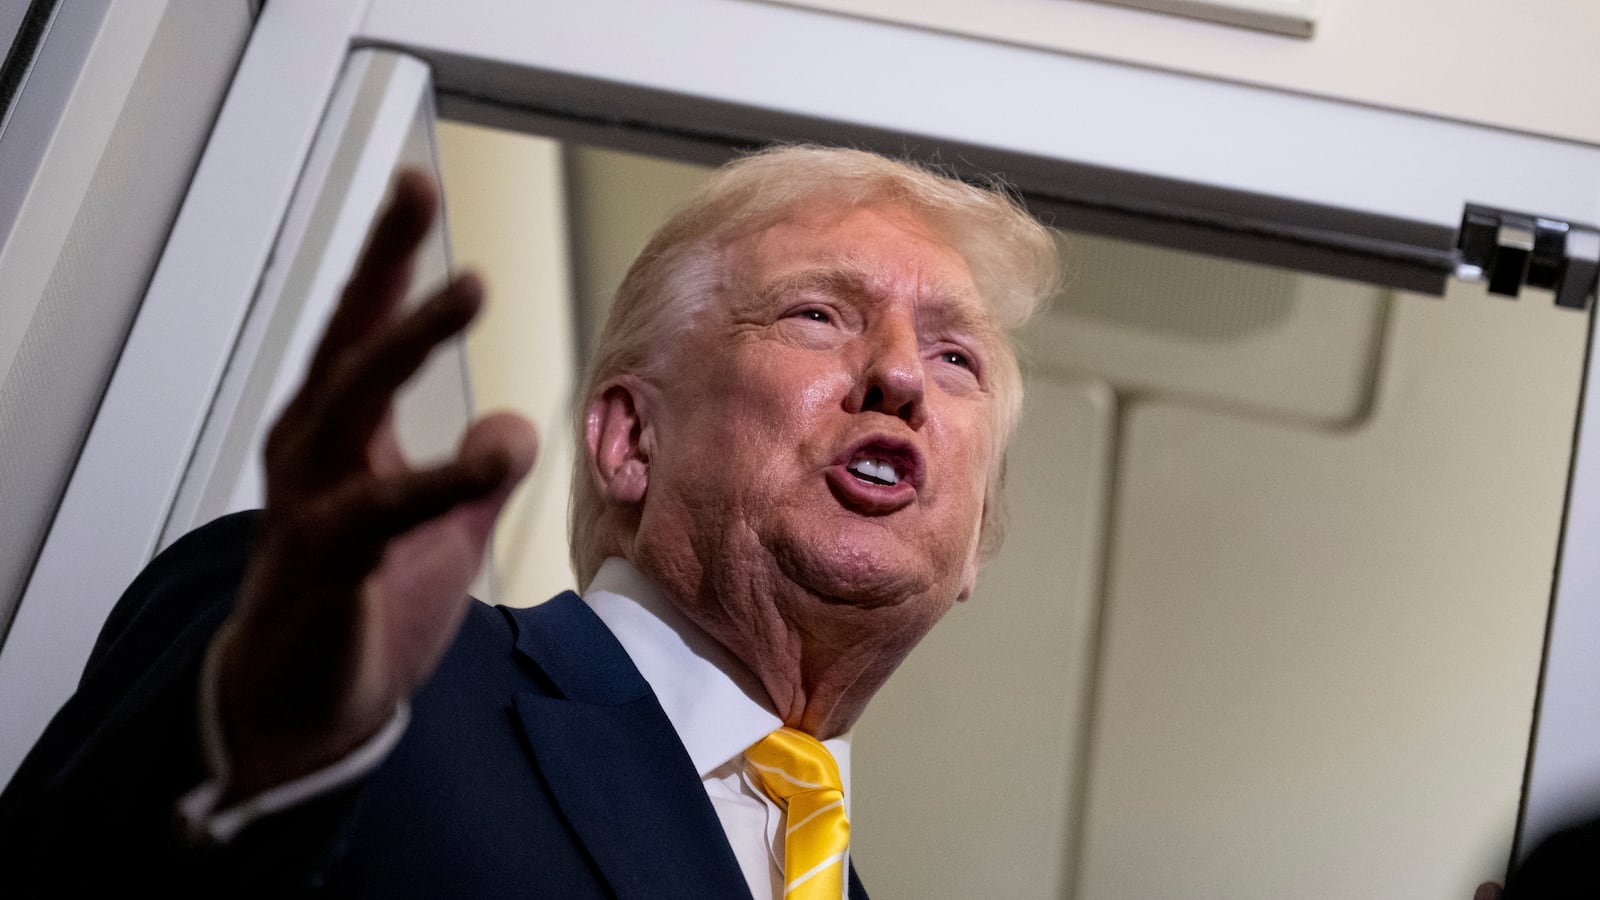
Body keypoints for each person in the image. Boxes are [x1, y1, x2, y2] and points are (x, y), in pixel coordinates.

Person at [0, 146, 1058, 898]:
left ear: (975, 550)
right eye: (817, 314)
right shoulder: (358, 669)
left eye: (954, 356)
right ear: (628, 442)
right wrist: (254, 773)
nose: (898, 376)